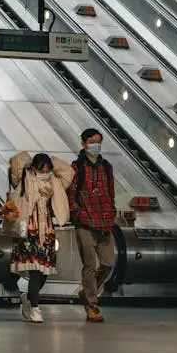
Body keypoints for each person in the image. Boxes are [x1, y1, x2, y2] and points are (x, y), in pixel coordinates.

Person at [8, 151, 72, 324]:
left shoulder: (54, 181)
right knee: (36, 269)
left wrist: (52, 161)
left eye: (48, 169)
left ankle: (28, 298)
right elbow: (15, 162)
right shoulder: (24, 177)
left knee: (44, 270)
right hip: (28, 227)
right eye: (42, 168)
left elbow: (68, 172)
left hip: (47, 228)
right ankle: (35, 308)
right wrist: (29, 161)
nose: (45, 172)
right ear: (35, 167)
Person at [67, 128, 116, 323]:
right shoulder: (76, 167)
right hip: (85, 222)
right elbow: (71, 195)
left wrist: (111, 213)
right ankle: (92, 304)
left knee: (108, 263)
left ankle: (88, 292)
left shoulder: (106, 166)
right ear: (83, 144)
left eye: (98, 142)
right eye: (92, 142)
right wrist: (78, 214)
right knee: (89, 264)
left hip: (104, 221)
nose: (96, 145)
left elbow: (111, 191)